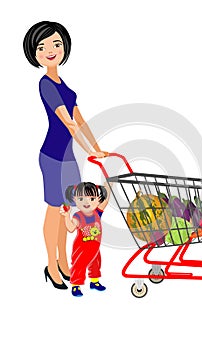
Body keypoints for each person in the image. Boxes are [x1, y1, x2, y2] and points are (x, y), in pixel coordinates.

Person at [23, 21, 108, 289]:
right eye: (42, 46)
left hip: (69, 156)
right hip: (53, 155)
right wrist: (87, 146)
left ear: (64, 48)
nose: (50, 50)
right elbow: (68, 123)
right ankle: (52, 264)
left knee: (66, 210)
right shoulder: (46, 83)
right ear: (34, 53)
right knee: (53, 209)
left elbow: (80, 120)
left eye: (56, 44)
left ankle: (63, 261)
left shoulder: (64, 83)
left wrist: (96, 148)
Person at [60, 182, 111, 297]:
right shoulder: (78, 216)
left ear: (98, 199)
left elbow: (106, 201)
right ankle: (75, 286)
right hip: (81, 248)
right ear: (75, 200)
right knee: (79, 266)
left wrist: (108, 187)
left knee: (96, 264)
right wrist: (67, 216)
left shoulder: (97, 212)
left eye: (92, 198)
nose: (86, 202)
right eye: (81, 198)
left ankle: (94, 282)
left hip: (95, 246)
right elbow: (71, 228)